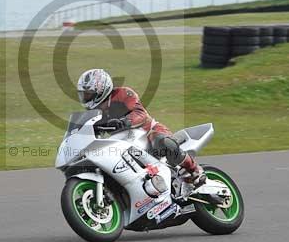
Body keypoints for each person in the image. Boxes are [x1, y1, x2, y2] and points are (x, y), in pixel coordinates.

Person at [76, 68, 205, 185]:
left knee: (161, 141)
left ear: (100, 89)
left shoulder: (123, 94)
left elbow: (140, 113)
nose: (85, 98)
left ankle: (194, 170)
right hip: (123, 144)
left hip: (149, 132)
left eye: (88, 94)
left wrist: (125, 121)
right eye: (83, 94)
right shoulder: (94, 113)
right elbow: (86, 131)